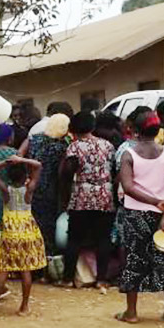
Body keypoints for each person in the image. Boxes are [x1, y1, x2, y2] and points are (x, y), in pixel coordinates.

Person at [115, 110, 164, 324]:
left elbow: (127, 187)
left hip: (135, 214)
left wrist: (151, 202)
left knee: (134, 258)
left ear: (134, 130)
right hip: (163, 213)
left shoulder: (129, 154)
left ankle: (132, 312)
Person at [60, 109, 115, 288]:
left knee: (74, 239)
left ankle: (68, 278)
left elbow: (68, 172)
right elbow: (113, 169)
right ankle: (102, 279)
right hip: (104, 196)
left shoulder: (74, 147)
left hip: (81, 197)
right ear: (92, 126)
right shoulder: (107, 145)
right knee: (103, 239)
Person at [0, 156, 46, 316]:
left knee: (4, 269)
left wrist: (7, 161)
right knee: (25, 270)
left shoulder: (6, 190)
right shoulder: (29, 189)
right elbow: (39, 165)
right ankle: (24, 307)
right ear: (25, 176)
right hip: (27, 230)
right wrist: (22, 160)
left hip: (10, 232)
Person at [26, 112, 70, 257]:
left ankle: (35, 259)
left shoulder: (35, 140)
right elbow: (61, 172)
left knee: (36, 224)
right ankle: (49, 259)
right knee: (50, 226)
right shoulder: (62, 146)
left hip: (34, 186)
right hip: (52, 189)